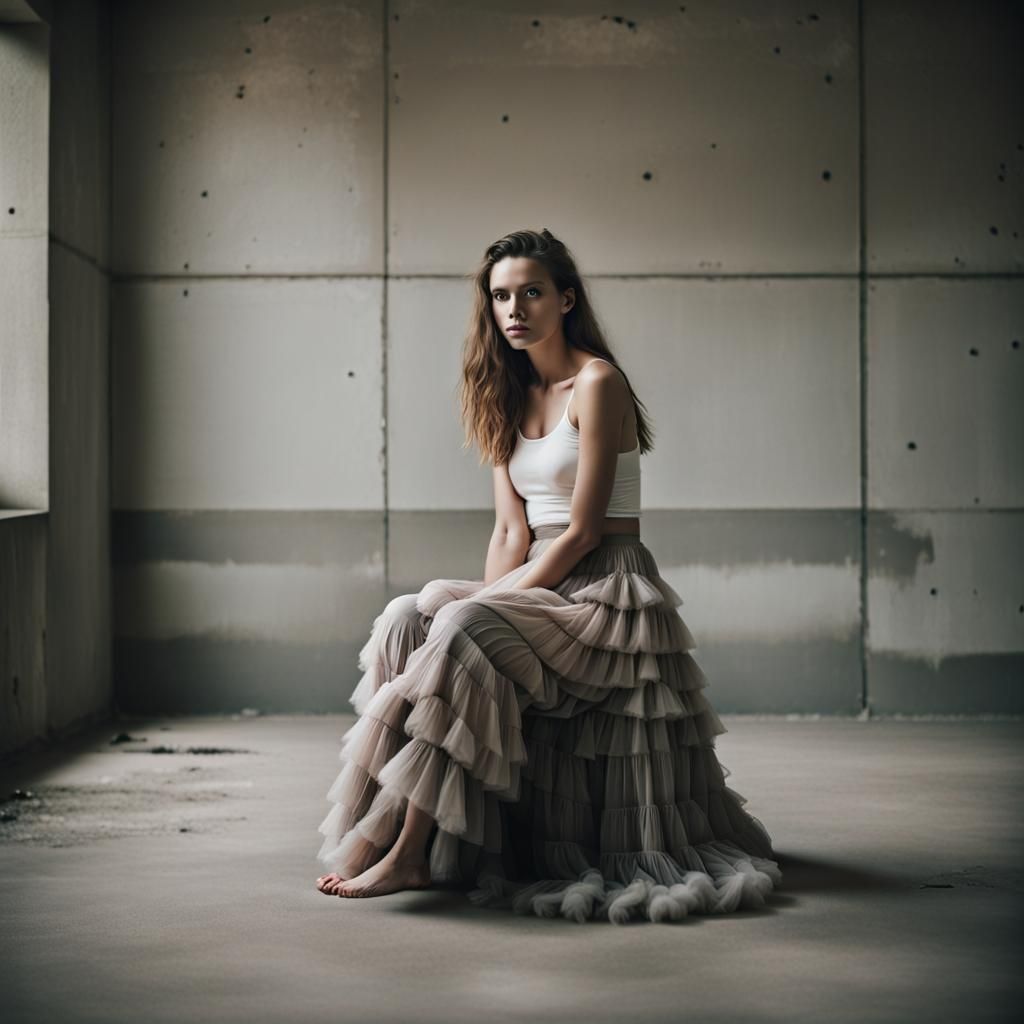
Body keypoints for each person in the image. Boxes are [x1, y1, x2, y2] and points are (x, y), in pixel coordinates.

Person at [313, 228, 782, 923]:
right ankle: (413, 833)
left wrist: (481, 616)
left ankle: (412, 851)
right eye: (501, 295)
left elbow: (587, 530)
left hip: (606, 592)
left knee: (460, 622)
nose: (515, 308)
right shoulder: (505, 390)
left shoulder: (598, 382)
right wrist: (482, 621)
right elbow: (510, 531)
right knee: (411, 614)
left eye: (531, 292)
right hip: (542, 582)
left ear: (565, 298)